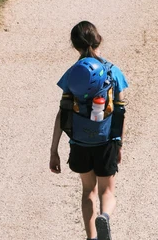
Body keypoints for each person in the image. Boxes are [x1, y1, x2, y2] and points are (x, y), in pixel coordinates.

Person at [50, 21, 130, 240]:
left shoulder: (71, 75)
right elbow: (120, 112)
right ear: (99, 40)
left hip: (79, 142)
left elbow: (63, 113)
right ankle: (104, 215)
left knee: (88, 191)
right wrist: (118, 143)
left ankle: (91, 237)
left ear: (75, 46)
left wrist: (54, 150)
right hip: (106, 141)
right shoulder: (113, 72)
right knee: (107, 191)